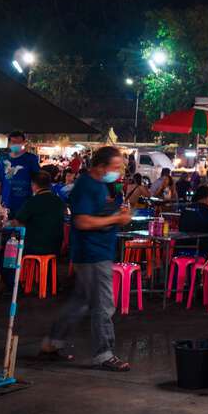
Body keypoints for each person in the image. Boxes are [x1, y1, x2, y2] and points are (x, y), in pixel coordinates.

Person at [39, 146, 133, 372]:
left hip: (99, 251)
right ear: (100, 167)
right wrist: (115, 220)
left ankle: (53, 342)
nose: (118, 171)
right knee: (103, 304)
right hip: (91, 253)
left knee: (81, 302)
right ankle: (104, 354)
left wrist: (116, 215)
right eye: (115, 167)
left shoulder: (101, 185)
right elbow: (82, 221)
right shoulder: (86, 185)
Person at [15, 170, 67, 257]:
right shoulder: (59, 201)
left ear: (33, 185)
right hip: (55, 248)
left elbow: (18, 222)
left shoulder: (32, 201)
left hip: (34, 249)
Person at [0, 130, 42, 217]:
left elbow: (37, 180)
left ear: (24, 143)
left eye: (19, 142)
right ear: (9, 143)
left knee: (24, 228)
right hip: (6, 204)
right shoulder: (2, 160)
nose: (16, 144)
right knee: (7, 229)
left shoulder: (31, 159)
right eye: (13, 142)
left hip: (26, 204)